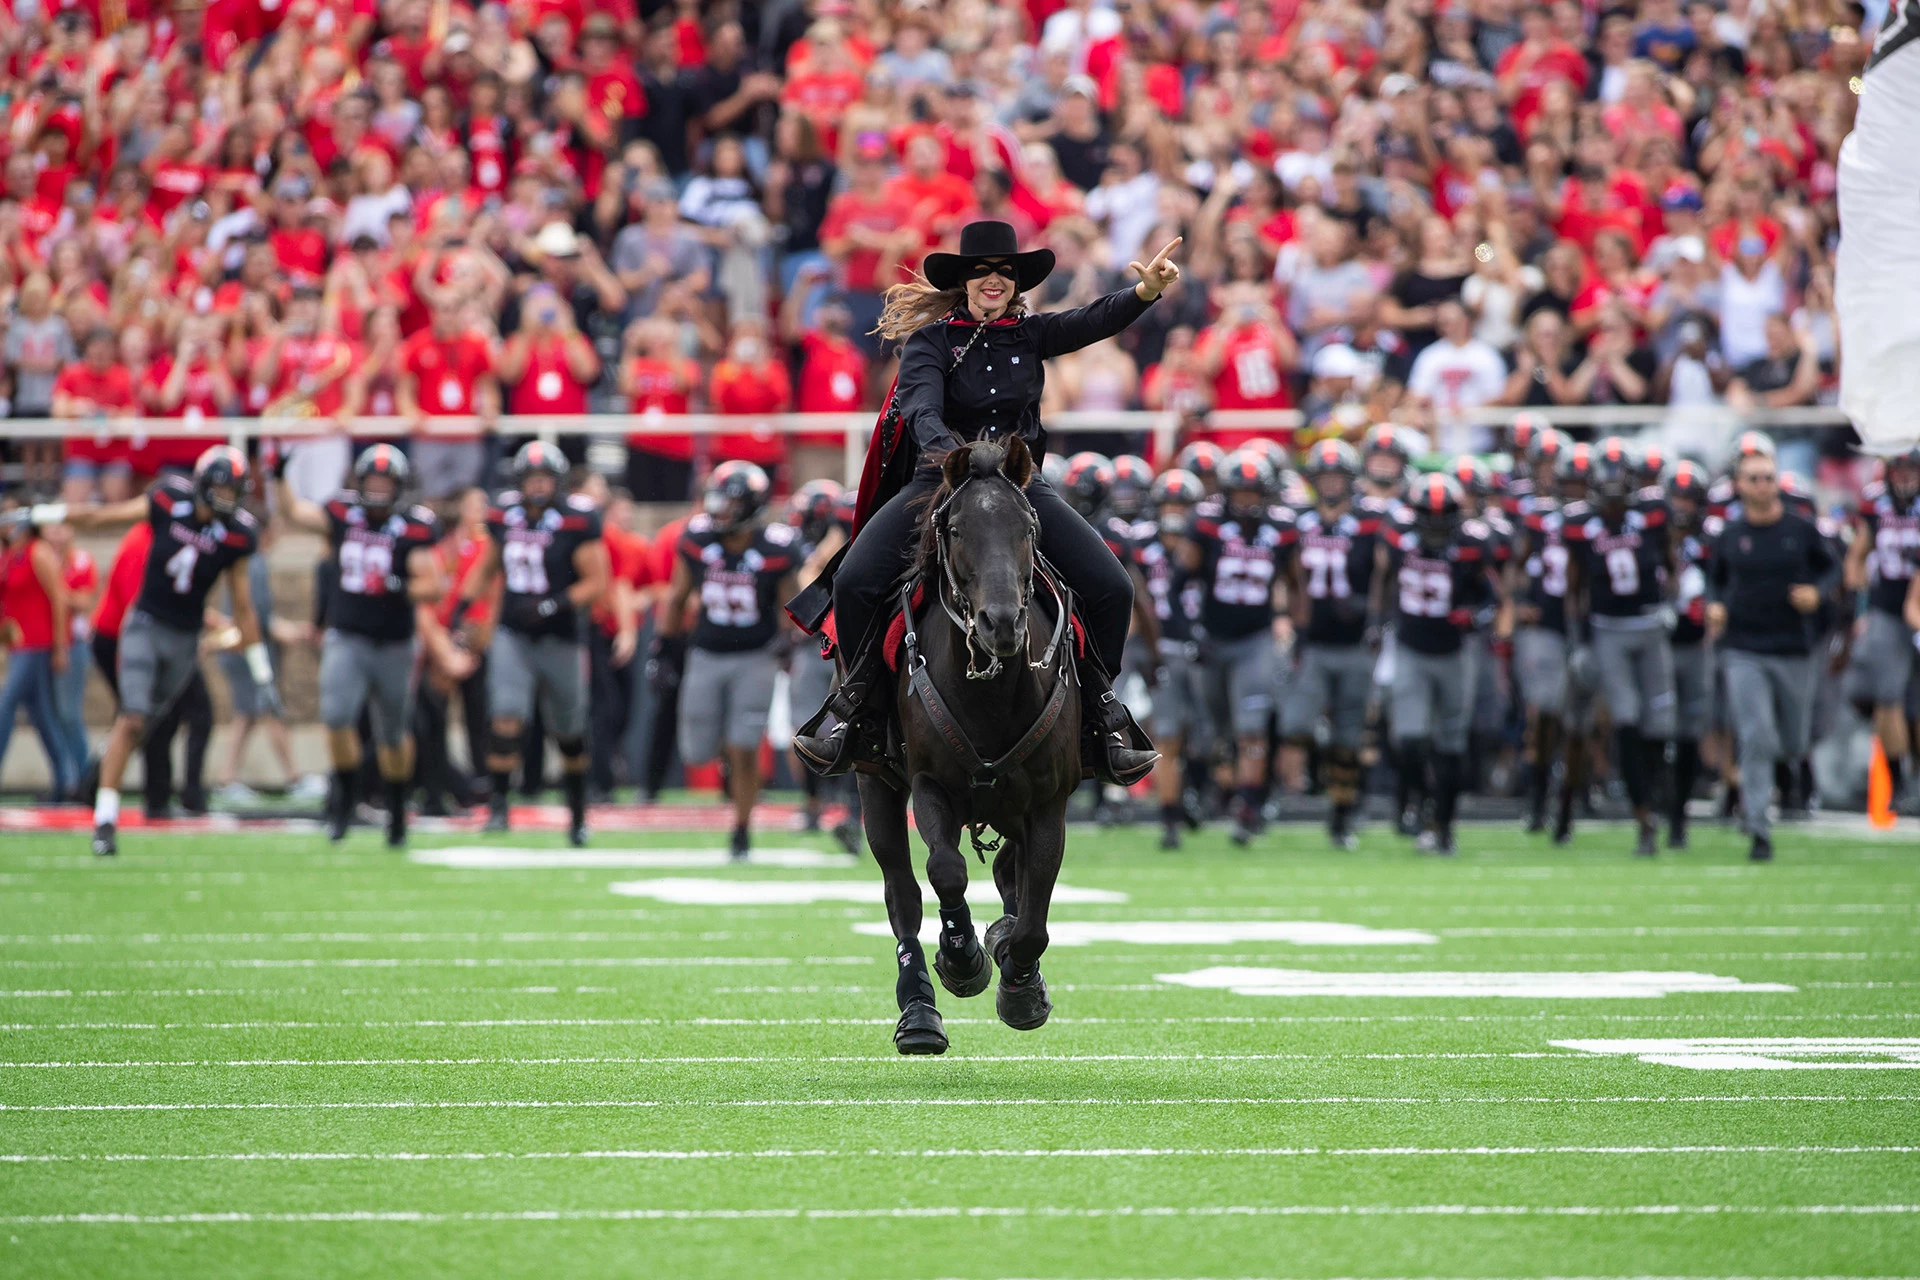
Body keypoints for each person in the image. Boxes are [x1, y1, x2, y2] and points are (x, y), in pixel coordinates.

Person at [794, 220, 1178, 786]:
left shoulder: (1030, 333)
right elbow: (921, 408)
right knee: (852, 582)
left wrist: (1145, 292)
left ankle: (1101, 710)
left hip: (1019, 485)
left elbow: (1090, 321)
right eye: (982, 271)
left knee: (1114, 586)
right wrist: (952, 455)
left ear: (1016, 283)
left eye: (1004, 271)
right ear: (965, 283)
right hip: (938, 482)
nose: (993, 280)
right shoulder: (930, 341)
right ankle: (855, 707)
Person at [41, 447, 272, 856]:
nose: (225, 498)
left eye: (232, 490)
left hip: (185, 639)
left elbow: (244, 607)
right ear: (202, 485)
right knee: (132, 718)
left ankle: (102, 764)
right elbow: (100, 517)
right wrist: (47, 515)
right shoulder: (167, 499)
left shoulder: (238, 534)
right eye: (219, 488)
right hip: (144, 625)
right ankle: (105, 823)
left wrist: (261, 671)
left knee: (146, 725)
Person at [276, 444, 446, 846]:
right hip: (346, 635)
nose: (378, 489)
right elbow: (295, 513)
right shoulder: (342, 513)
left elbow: (433, 585)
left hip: (394, 642)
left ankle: (397, 809)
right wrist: (279, 475)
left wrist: (398, 585)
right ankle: (344, 802)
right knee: (336, 717)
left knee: (392, 733)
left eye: (385, 482)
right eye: (372, 480)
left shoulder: (413, 526)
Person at [456, 442, 608, 845]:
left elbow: (597, 582)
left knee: (570, 733)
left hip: (561, 638)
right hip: (513, 635)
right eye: (531, 479)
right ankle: (499, 809)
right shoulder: (504, 516)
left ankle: (577, 815)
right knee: (505, 718)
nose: (538, 486)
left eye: (545, 479)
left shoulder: (576, 520)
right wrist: (463, 607)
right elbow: (488, 565)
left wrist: (553, 604)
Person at [655, 462, 800, 861]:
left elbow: (792, 603)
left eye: (730, 502)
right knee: (697, 751)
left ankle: (741, 829)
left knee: (744, 744)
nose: (719, 510)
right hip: (705, 653)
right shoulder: (697, 540)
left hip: (755, 656)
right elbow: (678, 595)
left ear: (751, 505)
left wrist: (792, 643)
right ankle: (727, 770)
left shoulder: (775, 547)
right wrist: (664, 648)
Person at [1707, 440, 1836, 862]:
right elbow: (1715, 579)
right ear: (1739, 485)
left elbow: (1831, 567)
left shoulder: (1799, 530)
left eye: (1767, 478)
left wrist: (1816, 594)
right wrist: (1716, 606)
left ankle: (1777, 788)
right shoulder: (1730, 535)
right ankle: (1759, 826)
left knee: (1793, 739)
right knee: (1755, 736)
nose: (1762, 486)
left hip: (1791, 648)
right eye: (1753, 479)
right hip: (1744, 648)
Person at [1560, 437, 1677, 856]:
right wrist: (1579, 642)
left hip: (1649, 625)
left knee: (1660, 725)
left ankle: (1664, 809)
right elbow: (1573, 587)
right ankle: (1644, 816)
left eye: (1618, 474)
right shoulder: (1578, 524)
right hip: (1608, 629)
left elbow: (1670, 560)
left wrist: (1671, 603)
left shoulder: (1653, 513)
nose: (1611, 483)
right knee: (1626, 719)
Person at [1387, 473, 1504, 856]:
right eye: (1428, 514)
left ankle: (1445, 824)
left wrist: (1473, 617)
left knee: (1450, 743)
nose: (1436, 523)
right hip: (1411, 648)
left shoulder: (1472, 543)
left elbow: (1491, 598)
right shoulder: (1397, 540)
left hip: (1455, 653)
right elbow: (1380, 582)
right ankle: (1421, 807)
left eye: (1443, 515)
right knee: (1410, 739)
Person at [1184, 450, 1297, 845]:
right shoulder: (1208, 524)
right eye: (1241, 493)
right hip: (1213, 639)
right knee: (1217, 728)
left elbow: (1295, 582)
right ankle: (1212, 791)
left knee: (1252, 730)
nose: (1247, 501)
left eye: (1254, 493)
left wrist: (1295, 627)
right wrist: (1190, 629)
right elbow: (1183, 576)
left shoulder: (1282, 529)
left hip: (1255, 640)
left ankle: (1248, 809)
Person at [1284, 439, 1390, 850]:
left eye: (1337, 476)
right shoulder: (1297, 522)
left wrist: (1377, 617)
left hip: (1356, 643)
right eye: (1324, 476)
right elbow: (1287, 574)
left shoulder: (1372, 521)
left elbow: (1386, 573)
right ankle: (1319, 766)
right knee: (1296, 724)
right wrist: (1290, 616)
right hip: (1313, 644)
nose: (1330, 483)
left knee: (1350, 737)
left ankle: (1341, 818)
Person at [1842, 445, 1920, 815]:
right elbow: (1858, 555)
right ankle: (1899, 782)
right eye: (1899, 471)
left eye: (1911, 472)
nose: (1905, 479)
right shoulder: (1876, 504)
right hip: (1888, 609)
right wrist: (1861, 608)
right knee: (1887, 698)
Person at [1138, 468, 1207, 850]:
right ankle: (1169, 821)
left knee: (1206, 738)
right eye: (1169, 502)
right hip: (1162, 649)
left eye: (1182, 503)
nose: (1175, 510)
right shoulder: (1142, 546)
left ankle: (1196, 791)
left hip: (1203, 650)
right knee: (1167, 736)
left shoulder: (1207, 542)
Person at [0, 502, 73, 799]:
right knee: (43, 718)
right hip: (20, 647)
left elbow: (59, 599)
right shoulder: (10, 556)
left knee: (5, 707)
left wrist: (60, 647)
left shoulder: (38, 552)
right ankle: (65, 783)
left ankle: (66, 781)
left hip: (38, 646)